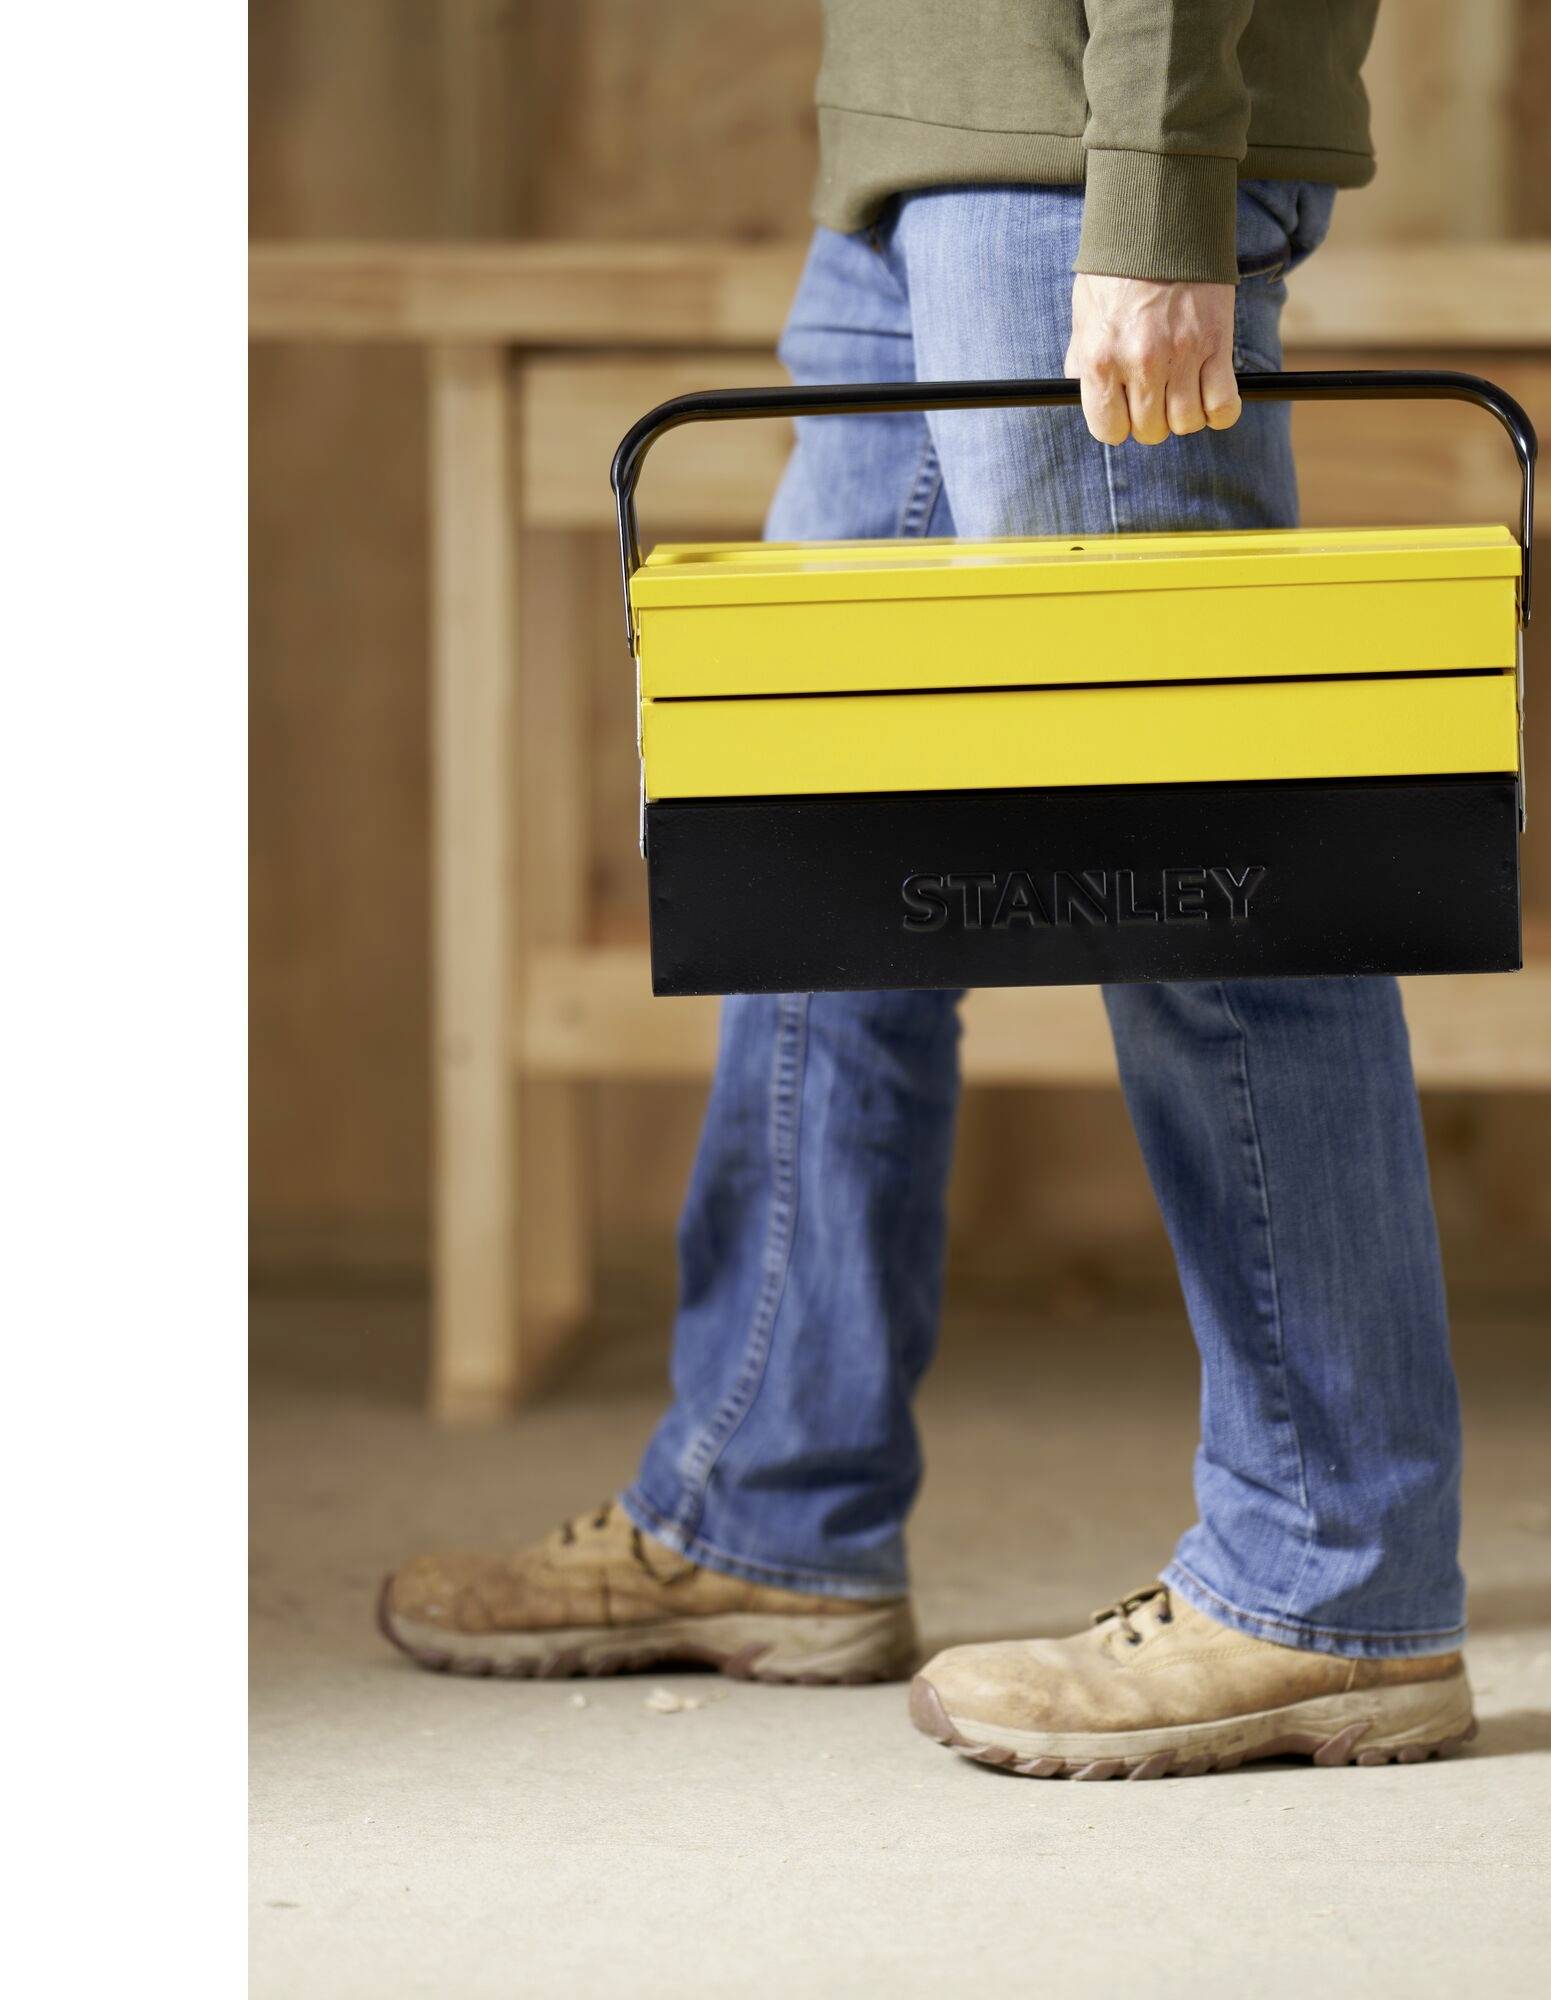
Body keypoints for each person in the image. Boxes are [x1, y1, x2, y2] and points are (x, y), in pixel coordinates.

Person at [381, 0, 1475, 1780]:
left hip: (1072, 165)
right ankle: (771, 1504)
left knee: (1215, 869)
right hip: (920, 160)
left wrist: (1156, 191)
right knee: (818, 847)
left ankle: (1329, 1577)